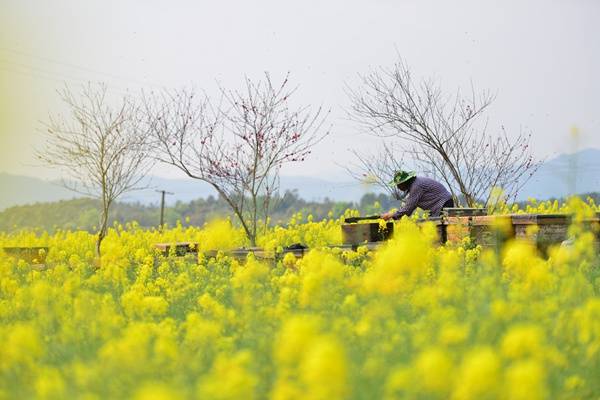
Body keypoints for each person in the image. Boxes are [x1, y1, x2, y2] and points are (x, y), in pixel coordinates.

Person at [380, 170, 454, 220]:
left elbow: (408, 209)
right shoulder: (414, 185)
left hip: (444, 203)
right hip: (440, 205)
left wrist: (391, 215)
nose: (398, 187)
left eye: (399, 185)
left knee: (442, 231)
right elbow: (407, 206)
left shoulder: (416, 186)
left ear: (404, 182)